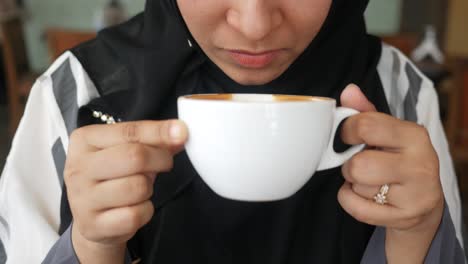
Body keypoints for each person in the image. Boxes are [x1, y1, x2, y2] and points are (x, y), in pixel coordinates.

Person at [0, 0, 465, 263]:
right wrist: (90, 248)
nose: (255, 24)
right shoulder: (78, 93)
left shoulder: (400, 96)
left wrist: (415, 237)